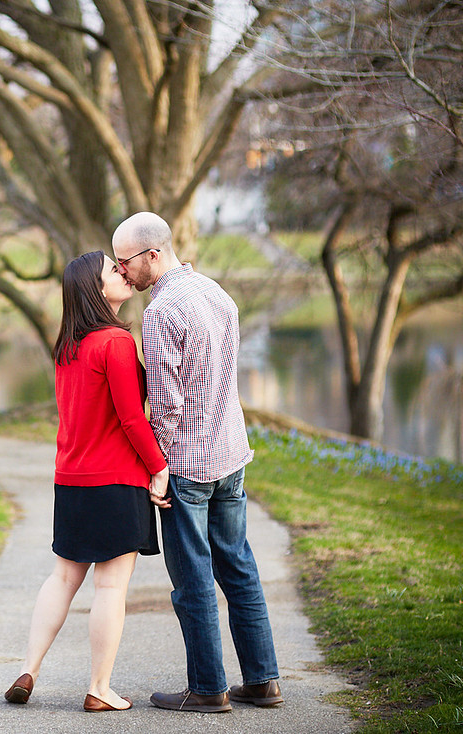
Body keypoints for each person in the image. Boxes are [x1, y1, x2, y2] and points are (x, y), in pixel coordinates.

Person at [111, 212, 283, 713]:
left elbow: (166, 402)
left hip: (187, 463)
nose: (123, 272)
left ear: (153, 254)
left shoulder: (162, 311)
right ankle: (263, 679)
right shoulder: (214, 291)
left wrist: (156, 464)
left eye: (126, 262)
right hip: (230, 450)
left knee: (192, 579)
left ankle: (208, 688)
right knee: (238, 565)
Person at [3, 250, 169, 713]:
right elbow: (132, 419)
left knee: (62, 578)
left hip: (71, 478)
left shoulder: (68, 345)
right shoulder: (114, 342)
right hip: (115, 480)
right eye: (112, 271)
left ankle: (28, 669)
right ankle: (99, 687)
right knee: (111, 588)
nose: (122, 272)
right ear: (96, 290)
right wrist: (158, 467)